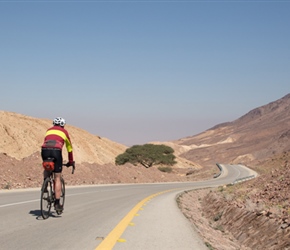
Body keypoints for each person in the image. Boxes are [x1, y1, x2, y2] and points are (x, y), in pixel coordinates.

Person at [41, 117, 75, 212]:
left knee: (47, 165)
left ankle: (45, 183)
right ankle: (57, 203)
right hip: (56, 151)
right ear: (63, 125)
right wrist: (71, 161)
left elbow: (46, 141)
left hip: (44, 150)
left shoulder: (48, 130)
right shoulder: (64, 132)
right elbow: (69, 148)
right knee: (57, 177)